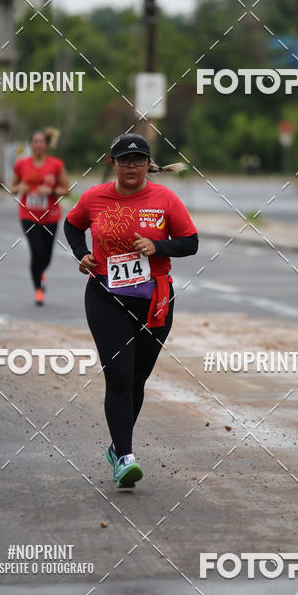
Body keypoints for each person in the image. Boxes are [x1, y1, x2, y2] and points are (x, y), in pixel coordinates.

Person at [64, 134, 198, 489]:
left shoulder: (165, 199)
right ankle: (125, 456)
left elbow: (191, 242)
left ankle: (116, 444)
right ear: (113, 163)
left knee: (137, 379)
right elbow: (72, 224)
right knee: (120, 377)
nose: (132, 167)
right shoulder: (95, 197)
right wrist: (82, 253)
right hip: (107, 296)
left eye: (138, 160)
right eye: (125, 160)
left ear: (147, 164)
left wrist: (158, 245)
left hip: (156, 300)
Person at [10, 127, 70, 305]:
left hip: (50, 215)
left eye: (41, 142)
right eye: (35, 142)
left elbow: (66, 189)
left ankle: (39, 273)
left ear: (46, 144)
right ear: (30, 144)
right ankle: (38, 288)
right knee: (36, 251)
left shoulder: (56, 164)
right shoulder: (22, 164)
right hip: (28, 214)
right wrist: (20, 188)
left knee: (47, 255)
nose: (38, 145)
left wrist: (51, 190)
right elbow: (12, 187)